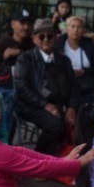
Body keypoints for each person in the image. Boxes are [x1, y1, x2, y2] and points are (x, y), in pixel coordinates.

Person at [13, 18, 77, 155]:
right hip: (31, 105)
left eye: (50, 35)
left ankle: (67, 158)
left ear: (56, 37)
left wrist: (72, 107)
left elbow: (74, 87)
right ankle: (38, 158)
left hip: (60, 105)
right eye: (41, 36)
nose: (46, 39)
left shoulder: (64, 60)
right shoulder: (25, 59)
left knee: (83, 120)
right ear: (34, 38)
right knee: (55, 124)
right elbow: (22, 88)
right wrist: (44, 104)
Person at [0, 12, 31, 141]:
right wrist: (5, 59)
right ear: (13, 24)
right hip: (5, 87)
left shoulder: (31, 44)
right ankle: (3, 140)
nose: (26, 27)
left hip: (27, 89)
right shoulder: (1, 44)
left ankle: (3, 141)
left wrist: (20, 53)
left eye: (28, 23)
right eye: (22, 23)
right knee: (9, 100)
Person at [56, 16, 94, 111]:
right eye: (73, 26)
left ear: (84, 30)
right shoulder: (59, 44)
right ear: (67, 29)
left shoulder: (90, 45)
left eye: (79, 27)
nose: (76, 30)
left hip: (86, 86)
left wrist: (85, 71)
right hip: (65, 84)